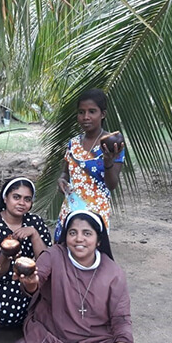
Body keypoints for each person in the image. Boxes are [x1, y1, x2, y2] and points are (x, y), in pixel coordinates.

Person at [7, 210, 142, 343]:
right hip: (53, 338)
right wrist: (30, 282)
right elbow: (37, 279)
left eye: (87, 233)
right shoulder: (54, 255)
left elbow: (121, 322)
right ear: (65, 236)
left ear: (98, 240)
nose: (79, 239)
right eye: (73, 233)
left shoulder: (113, 273)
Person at [0, 177, 52, 327]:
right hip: (0, 289)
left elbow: (46, 262)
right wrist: (6, 251)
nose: (22, 203)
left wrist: (34, 234)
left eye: (27, 199)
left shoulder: (36, 223)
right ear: (5, 198)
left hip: (29, 287)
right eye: (16, 197)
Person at [55, 88, 125, 240]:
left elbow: (112, 185)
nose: (85, 117)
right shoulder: (73, 144)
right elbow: (65, 173)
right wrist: (61, 181)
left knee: (88, 257)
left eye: (92, 111)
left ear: (103, 114)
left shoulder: (112, 145)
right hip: (70, 211)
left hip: (95, 214)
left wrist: (107, 161)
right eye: (81, 112)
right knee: (63, 258)